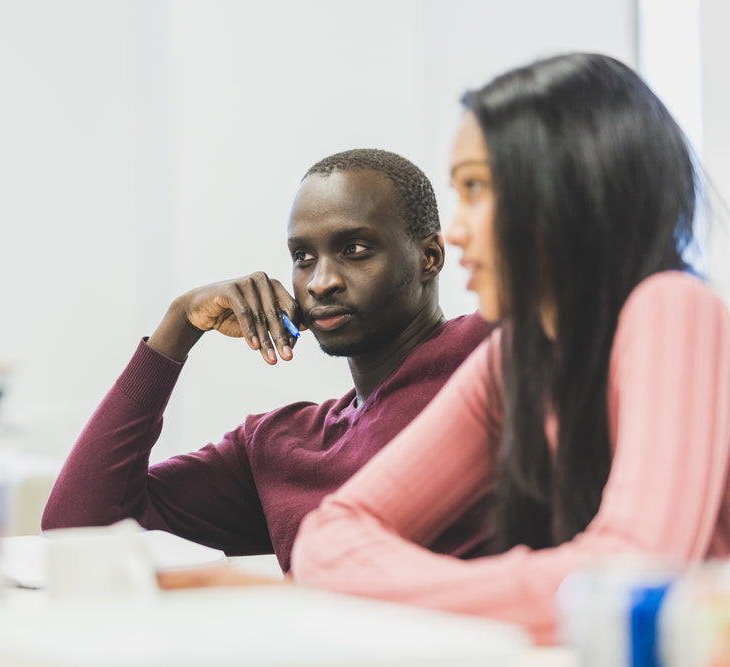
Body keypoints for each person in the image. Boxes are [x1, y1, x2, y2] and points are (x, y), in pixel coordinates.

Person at [290, 53, 730, 644]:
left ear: (572, 187)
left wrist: (388, 588)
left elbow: (633, 572)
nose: (455, 231)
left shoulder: (672, 306)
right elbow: (329, 534)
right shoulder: (516, 356)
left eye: (476, 188)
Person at [41, 149, 490, 572]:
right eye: (303, 257)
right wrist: (177, 328)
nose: (321, 282)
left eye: (355, 249)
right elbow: (78, 532)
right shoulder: (281, 446)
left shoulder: (492, 350)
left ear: (429, 257)